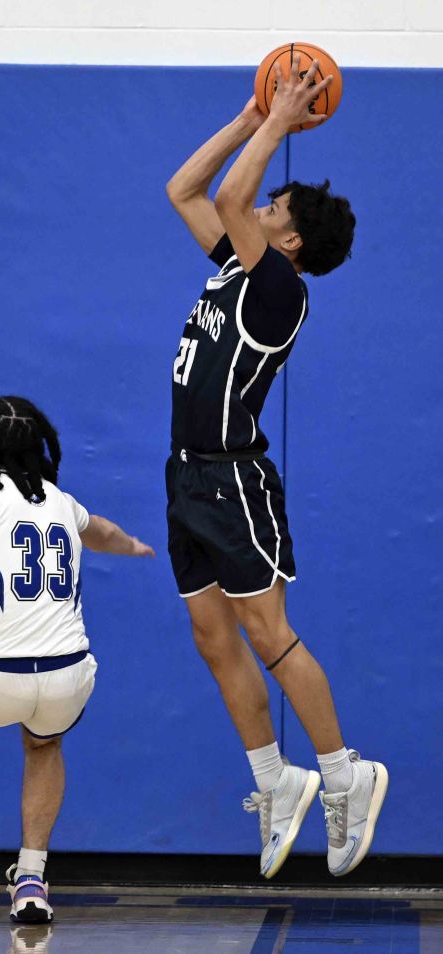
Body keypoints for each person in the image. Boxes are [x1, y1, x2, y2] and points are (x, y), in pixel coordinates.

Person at [165, 57, 387, 878]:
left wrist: (283, 122)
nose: (257, 208)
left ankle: (345, 773)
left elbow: (229, 198)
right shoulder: (238, 267)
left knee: (267, 633)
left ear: (288, 241)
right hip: (186, 475)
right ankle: (277, 782)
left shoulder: (279, 292)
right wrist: (251, 115)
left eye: (273, 210)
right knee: (211, 636)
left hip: (232, 480)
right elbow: (186, 190)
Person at [0, 395, 154, 922]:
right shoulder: (60, 500)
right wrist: (132, 545)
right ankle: (32, 880)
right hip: (70, 675)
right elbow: (102, 531)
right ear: (41, 444)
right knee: (44, 744)